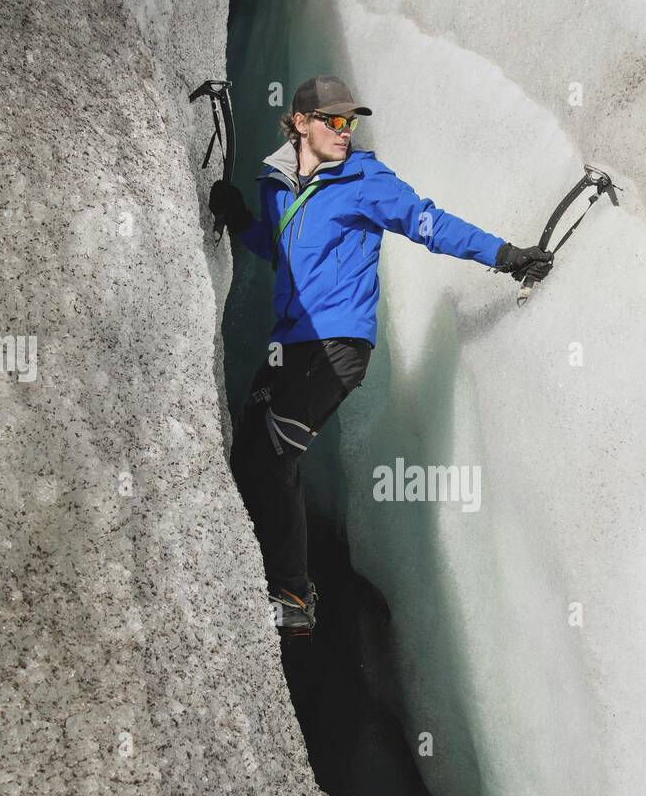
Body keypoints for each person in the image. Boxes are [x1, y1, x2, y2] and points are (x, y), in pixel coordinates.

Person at [211, 75, 553, 638]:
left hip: (339, 346)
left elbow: (427, 223)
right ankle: (251, 573)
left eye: (351, 122)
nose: (346, 131)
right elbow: (279, 248)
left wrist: (505, 255)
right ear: (300, 124)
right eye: (333, 121)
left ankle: (295, 597)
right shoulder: (277, 185)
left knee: (276, 451)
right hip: (289, 345)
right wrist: (243, 219)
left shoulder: (365, 178)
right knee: (249, 451)